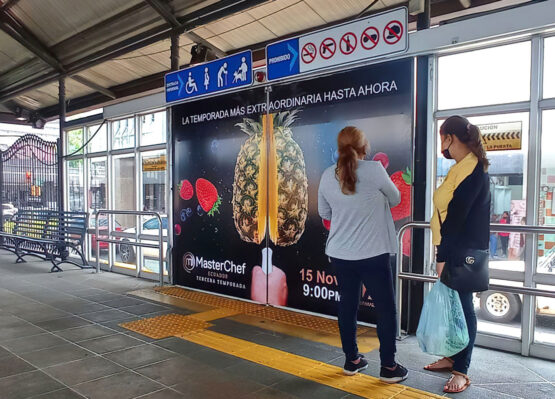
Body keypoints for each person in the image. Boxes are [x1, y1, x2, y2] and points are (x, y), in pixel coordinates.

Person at [318, 126, 408, 383]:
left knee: (347, 304)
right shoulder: (375, 170)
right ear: (364, 146)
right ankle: (389, 367)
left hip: (340, 254)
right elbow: (396, 198)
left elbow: (324, 213)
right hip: (373, 253)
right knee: (385, 309)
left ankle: (352, 360)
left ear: (339, 147)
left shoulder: (327, 175)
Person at [427, 115, 491, 393]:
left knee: (464, 310)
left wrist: (442, 256)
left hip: (461, 252)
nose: (442, 145)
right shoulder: (459, 168)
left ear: (450, 138)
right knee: (455, 308)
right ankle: (453, 356)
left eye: (443, 139)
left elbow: (456, 217)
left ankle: (462, 371)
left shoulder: (472, 170)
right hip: (454, 248)